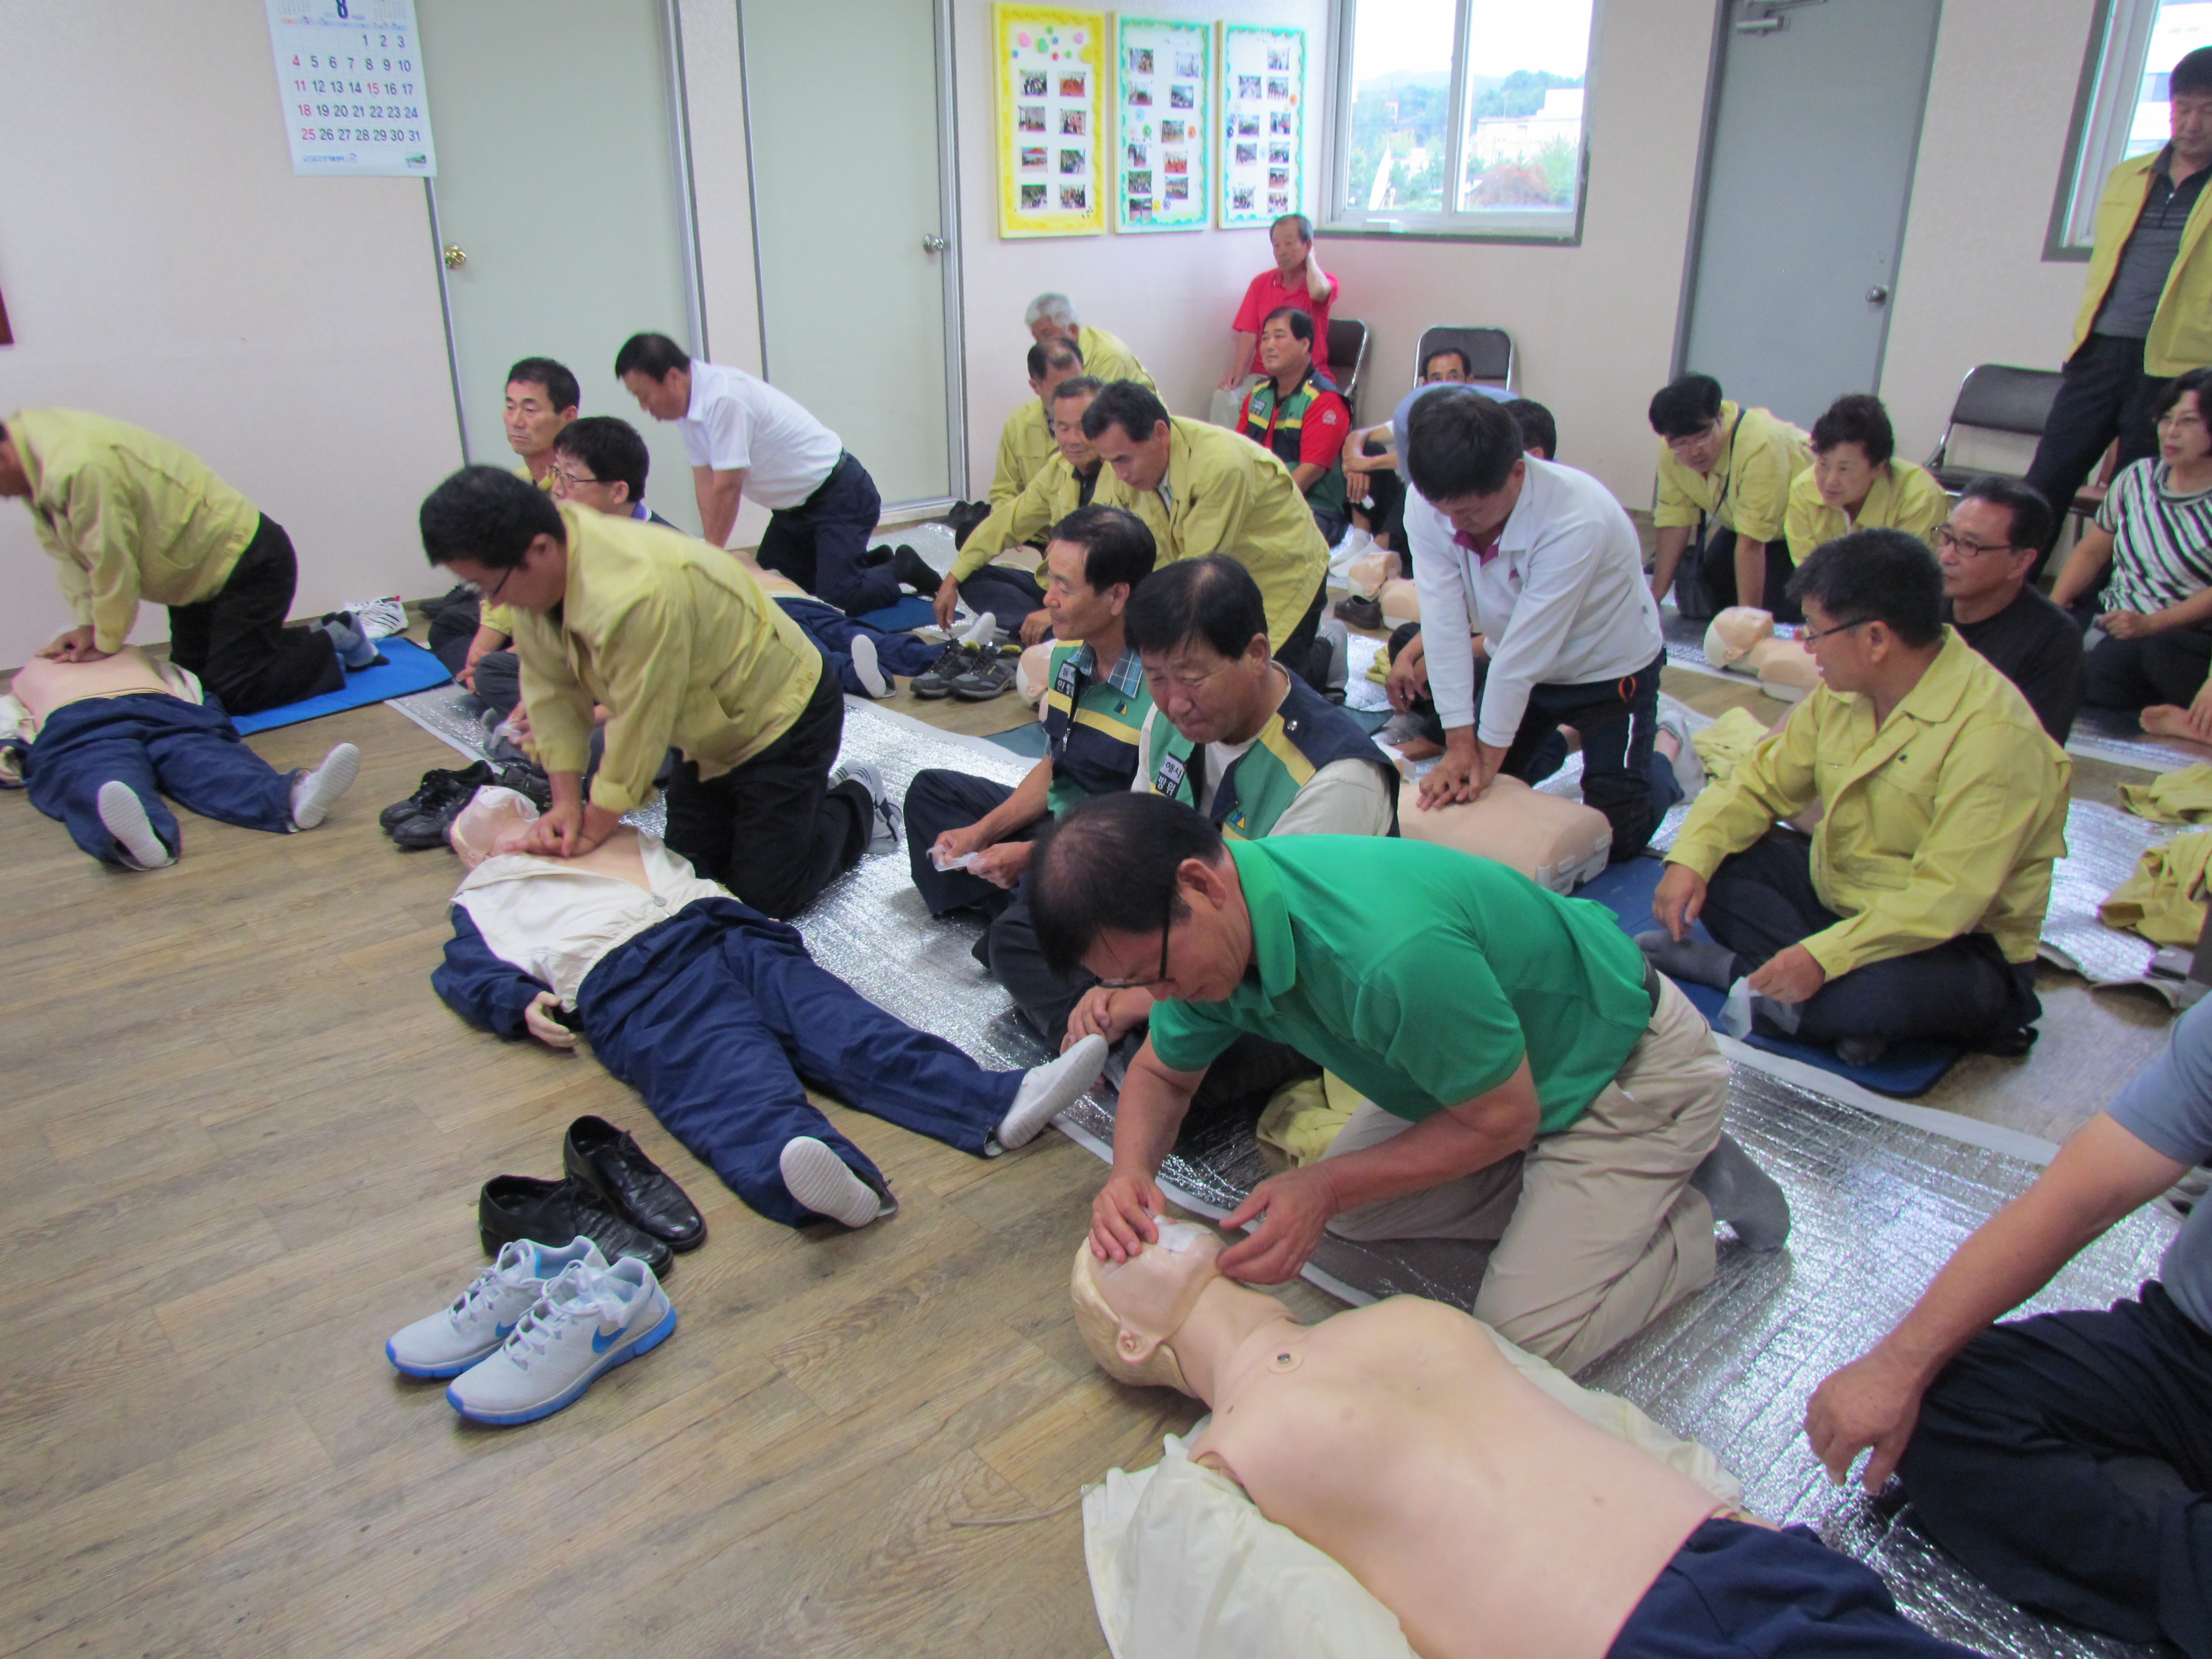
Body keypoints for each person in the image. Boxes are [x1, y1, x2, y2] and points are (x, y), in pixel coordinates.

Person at [1037, 796, 1789, 1375]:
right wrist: (1130, 1173)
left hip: (1622, 1071)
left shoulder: (1382, 952)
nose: (1159, 997)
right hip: (1506, 1082)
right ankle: (1592, 1191)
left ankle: (1685, 1207)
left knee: (1524, 1345)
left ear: (1200, 884)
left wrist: (1326, 1186)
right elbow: (1163, 1074)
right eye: (1134, 985)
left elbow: (1503, 1118)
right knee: (1354, 1215)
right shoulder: (1214, 940)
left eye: (1157, 974)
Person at [1077, 1226, 1983, 1659]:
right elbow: (1306, 1638)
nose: (1131, 1217)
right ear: (1131, 1340)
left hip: (1744, 1559)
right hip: (1624, 1643)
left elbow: (1587, 1415)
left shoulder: (1393, 1317)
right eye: (1111, 1246)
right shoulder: (1209, 1480)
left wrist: (1735, 1517)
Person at [431, 786, 1110, 1232]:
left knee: (845, 1027)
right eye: (504, 831)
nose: (526, 831)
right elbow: (464, 968)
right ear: (475, 855)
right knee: (723, 1074)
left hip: (725, 926)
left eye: (525, 814)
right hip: (630, 972)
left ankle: (994, 1102)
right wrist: (516, 1000)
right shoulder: (483, 895)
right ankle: (818, 1179)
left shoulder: (600, 829)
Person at [1807, 995, 2212, 1657]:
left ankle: (2163, 1542)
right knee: (1940, 1405)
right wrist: (1896, 1367)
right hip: (2187, 1346)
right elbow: (2077, 1199)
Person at [1646, 530, 2070, 1064]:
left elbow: (1948, 900)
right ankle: (1807, 1005)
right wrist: (1690, 859)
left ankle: (1740, 974)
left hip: (1956, 942)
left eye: (1815, 632)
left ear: (1875, 639)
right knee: (1724, 862)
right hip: (1844, 899)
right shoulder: (1845, 693)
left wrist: (1824, 956)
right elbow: (1757, 784)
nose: (1807, 646)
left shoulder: (1995, 737)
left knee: (1879, 998)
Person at [417, 465, 892, 921]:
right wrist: (565, 803)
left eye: (490, 586)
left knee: (766, 898)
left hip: (784, 713)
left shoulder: (636, 588)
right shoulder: (542, 572)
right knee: (691, 873)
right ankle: (796, 813)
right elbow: (550, 693)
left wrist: (592, 826)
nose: (494, 603)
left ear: (539, 549)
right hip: (702, 727)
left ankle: (857, 800)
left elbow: (641, 727)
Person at [1049, 553, 1395, 1066]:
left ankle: (1099, 1044)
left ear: (1256, 654)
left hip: (1290, 989)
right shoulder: (1167, 722)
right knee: (1038, 928)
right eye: (1156, 677)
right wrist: (1125, 972)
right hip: (1181, 946)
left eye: (1191, 677)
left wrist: (1136, 994)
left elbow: (1267, 943)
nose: (1174, 702)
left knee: (1184, 1047)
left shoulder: (1335, 776)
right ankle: (1102, 1041)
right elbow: (1134, 858)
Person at [1393, 387, 1686, 862]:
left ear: (1517, 472)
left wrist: (1481, 762)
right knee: (1485, 792)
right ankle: (1566, 739)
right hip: (1523, 666)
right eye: (1445, 511)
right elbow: (1445, 621)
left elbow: (1521, 658)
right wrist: (1459, 743)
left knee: (1618, 836)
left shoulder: (1576, 517)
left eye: (1470, 511)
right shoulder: (1429, 503)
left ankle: (1667, 745)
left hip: (1608, 671)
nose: (1456, 524)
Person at [902, 507, 1158, 1020]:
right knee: (931, 794)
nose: (1047, 599)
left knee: (1017, 941)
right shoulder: (1068, 660)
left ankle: (1032, 920)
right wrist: (982, 832)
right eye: (1049, 581)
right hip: (1059, 826)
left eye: (1065, 586)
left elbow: (1145, 838)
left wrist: (1035, 856)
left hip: (1108, 857)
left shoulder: (1162, 691)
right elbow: (1054, 767)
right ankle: (1029, 908)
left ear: (1117, 596)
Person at [1, 410, 347, 715]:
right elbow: (68, 552)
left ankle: (335, 641)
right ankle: (298, 641)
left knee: (234, 692)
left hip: (246, 563)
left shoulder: (76, 467)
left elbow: (112, 563)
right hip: (194, 576)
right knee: (191, 685)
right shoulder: (32, 456)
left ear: (3, 457)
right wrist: (86, 626)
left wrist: (105, 642)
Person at [2024, 45, 2212, 570]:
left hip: (2176, 367)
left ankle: (2101, 607)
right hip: (2101, 350)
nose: (2192, 123)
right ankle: (2008, 591)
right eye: (2183, 108)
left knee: (2139, 497)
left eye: (2208, 111)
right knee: (2046, 480)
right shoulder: (2128, 176)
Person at [613, 331, 935, 610]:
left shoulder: (723, 399)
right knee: (775, 589)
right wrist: (710, 552)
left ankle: (900, 567)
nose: (644, 407)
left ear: (672, 378)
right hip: (791, 513)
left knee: (838, 597)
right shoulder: (687, 410)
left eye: (644, 396)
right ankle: (867, 564)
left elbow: (728, 487)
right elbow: (705, 482)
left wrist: (711, 557)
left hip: (840, 496)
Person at [1, 646, 359, 870]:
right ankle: (137, 840)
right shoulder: (31, 672)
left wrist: (207, 716)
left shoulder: (132, 653)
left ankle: (295, 796)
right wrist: (9, 751)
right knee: (98, 772)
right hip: (79, 720)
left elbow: (185, 682)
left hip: (161, 709)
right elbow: (9, 717)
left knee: (205, 759)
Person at [1082, 381, 1332, 671]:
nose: (1120, 475)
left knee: (1270, 682)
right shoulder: (1124, 463)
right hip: (1218, 575)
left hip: (1282, 573)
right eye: (1110, 462)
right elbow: (1098, 536)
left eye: (1124, 460)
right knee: (1209, 671)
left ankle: (1328, 650)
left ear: (1161, 434)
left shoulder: (1222, 466)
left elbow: (1194, 576)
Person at [2052, 367, 2212, 734]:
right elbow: (2092, 551)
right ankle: (2177, 721)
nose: (2171, 432)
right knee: (2057, 651)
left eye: (2188, 422)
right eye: (2166, 419)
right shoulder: (2137, 477)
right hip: (2116, 619)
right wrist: (2053, 611)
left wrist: (2152, 624)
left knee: (2146, 657)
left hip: (2184, 634)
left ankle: (2183, 721)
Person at [428, 358, 581, 697]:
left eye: (530, 409)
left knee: (494, 664)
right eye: (510, 407)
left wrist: (493, 649)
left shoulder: (577, 486)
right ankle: (489, 681)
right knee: (448, 626)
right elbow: (499, 576)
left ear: (568, 417)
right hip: (519, 605)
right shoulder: (519, 482)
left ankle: (496, 684)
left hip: (561, 615)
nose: (516, 421)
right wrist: (485, 645)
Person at [932, 376, 1105, 650]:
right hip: (1057, 587)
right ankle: (1044, 634)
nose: (1073, 439)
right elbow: (1006, 522)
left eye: (1084, 428)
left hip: (1103, 599)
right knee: (972, 575)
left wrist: (1055, 611)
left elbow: (1122, 574)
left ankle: (1053, 636)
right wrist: (951, 579)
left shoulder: (1124, 474)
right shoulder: (1058, 468)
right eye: (1063, 428)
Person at [1646, 373, 1811, 616]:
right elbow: (1674, 521)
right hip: (1740, 526)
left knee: (1776, 608)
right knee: (1714, 594)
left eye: (1703, 437)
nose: (1694, 452)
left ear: (1721, 417)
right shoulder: (1671, 450)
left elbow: (1752, 544)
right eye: (1681, 443)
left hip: (1802, 534)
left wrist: (1747, 622)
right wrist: (1652, 601)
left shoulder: (1760, 443)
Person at [1938, 476, 2084, 744]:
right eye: (1947, 538)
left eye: (1969, 545)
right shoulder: (1915, 607)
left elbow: (2035, 747)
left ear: (2021, 562)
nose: (1947, 556)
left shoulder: (2053, 640)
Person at [1782, 394, 1947, 615]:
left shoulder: (1919, 496)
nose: (1829, 481)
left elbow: (1903, 585)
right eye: (1823, 464)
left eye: (1845, 469)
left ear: (1878, 468)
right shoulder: (1804, 490)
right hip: (1832, 610)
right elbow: (1810, 576)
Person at [1343, 344, 1477, 554]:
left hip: (1449, 505)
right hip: (1405, 504)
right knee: (1369, 447)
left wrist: (1367, 464)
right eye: (1437, 379)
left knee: (1417, 481)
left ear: (1469, 381)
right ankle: (1359, 540)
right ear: (1425, 385)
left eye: (1453, 377)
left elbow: (1428, 459)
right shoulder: (1421, 412)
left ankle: (1378, 550)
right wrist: (1354, 462)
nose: (1444, 386)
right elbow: (1358, 436)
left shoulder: (1477, 418)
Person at [1237, 308, 1353, 546]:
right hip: (1259, 501)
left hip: (1314, 508)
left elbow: (1309, 472)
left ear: (1305, 344)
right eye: (1265, 338)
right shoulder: (1257, 394)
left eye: (1279, 336)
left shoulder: (1325, 400)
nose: (1269, 345)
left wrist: (1260, 508)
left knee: (1262, 543)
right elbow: (1237, 452)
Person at [1220, 213, 1337, 392]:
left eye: (1289, 244)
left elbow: (1319, 292)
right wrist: (1238, 372)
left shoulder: (1322, 282)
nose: (1281, 251)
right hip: (1264, 376)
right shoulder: (1261, 283)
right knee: (1225, 396)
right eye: (1276, 245)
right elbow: (1249, 332)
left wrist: (1311, 259)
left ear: (1307, 245)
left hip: (1307, 376)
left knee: (1294, 406)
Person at [991, 338, 1086, 509]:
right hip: (1033, 523)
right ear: (1035, 386)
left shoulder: (1103, 423)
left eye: (1079, 384)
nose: (1073, 396)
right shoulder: (1018, 424)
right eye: (1062, 389)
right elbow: (1005, 492)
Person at [1024, 293, 1152, 390]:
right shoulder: (1053, 359)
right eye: (1037, 339)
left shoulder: (1108, 356)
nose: (1041, 345)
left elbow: (1100, 412)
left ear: (1073, 330)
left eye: (1047, 335)